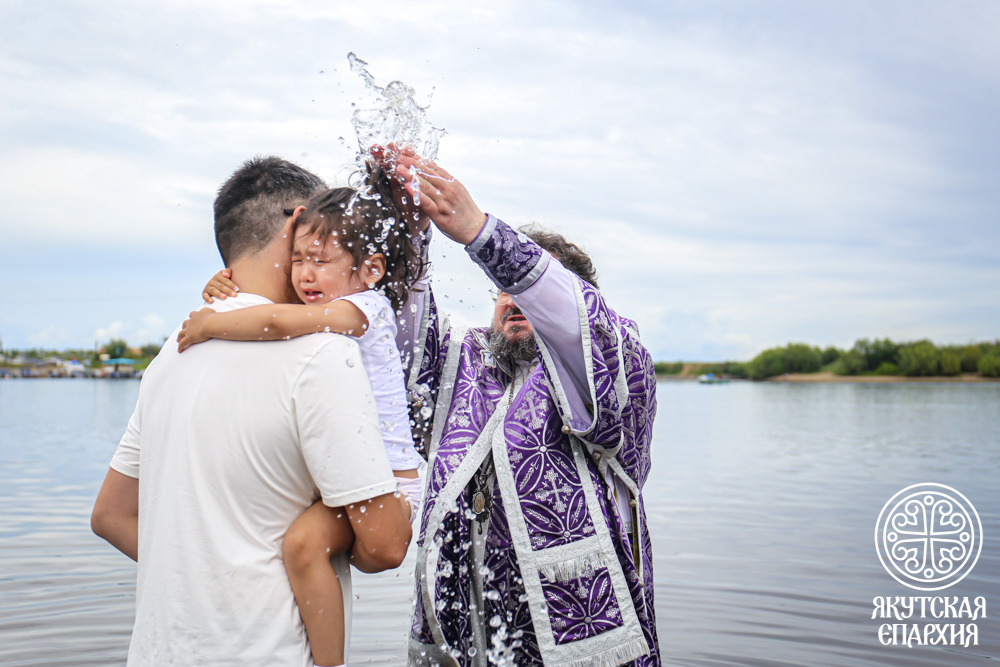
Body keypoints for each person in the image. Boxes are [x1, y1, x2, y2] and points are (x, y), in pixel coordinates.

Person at [90, 156, 412, 667]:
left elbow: (111, 516)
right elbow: (386, 546)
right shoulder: (322, 354)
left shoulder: (171, 354)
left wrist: (211, 581)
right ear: (299, 222)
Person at [381, 149, 661, 666]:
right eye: (502, 291)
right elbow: (401, 336)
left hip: (580, 636)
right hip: (467, 633)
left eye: (526, 292)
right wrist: (407, 231)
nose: (511, 300)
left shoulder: (614, 361)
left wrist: (479, 232)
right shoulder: (467, 360)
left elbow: (577, 318)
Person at [179, 168, 426, 667]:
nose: (305, 275)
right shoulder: (335, 304)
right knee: (300, 543)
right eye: (296, 260)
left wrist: (212, 324)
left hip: (394, 484)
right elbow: (278, 306)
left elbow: (276, 319)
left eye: (321, 260)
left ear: (371, 269)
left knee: (302, 545)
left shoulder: (365, 309)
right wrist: (224, 285)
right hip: (356, 473)